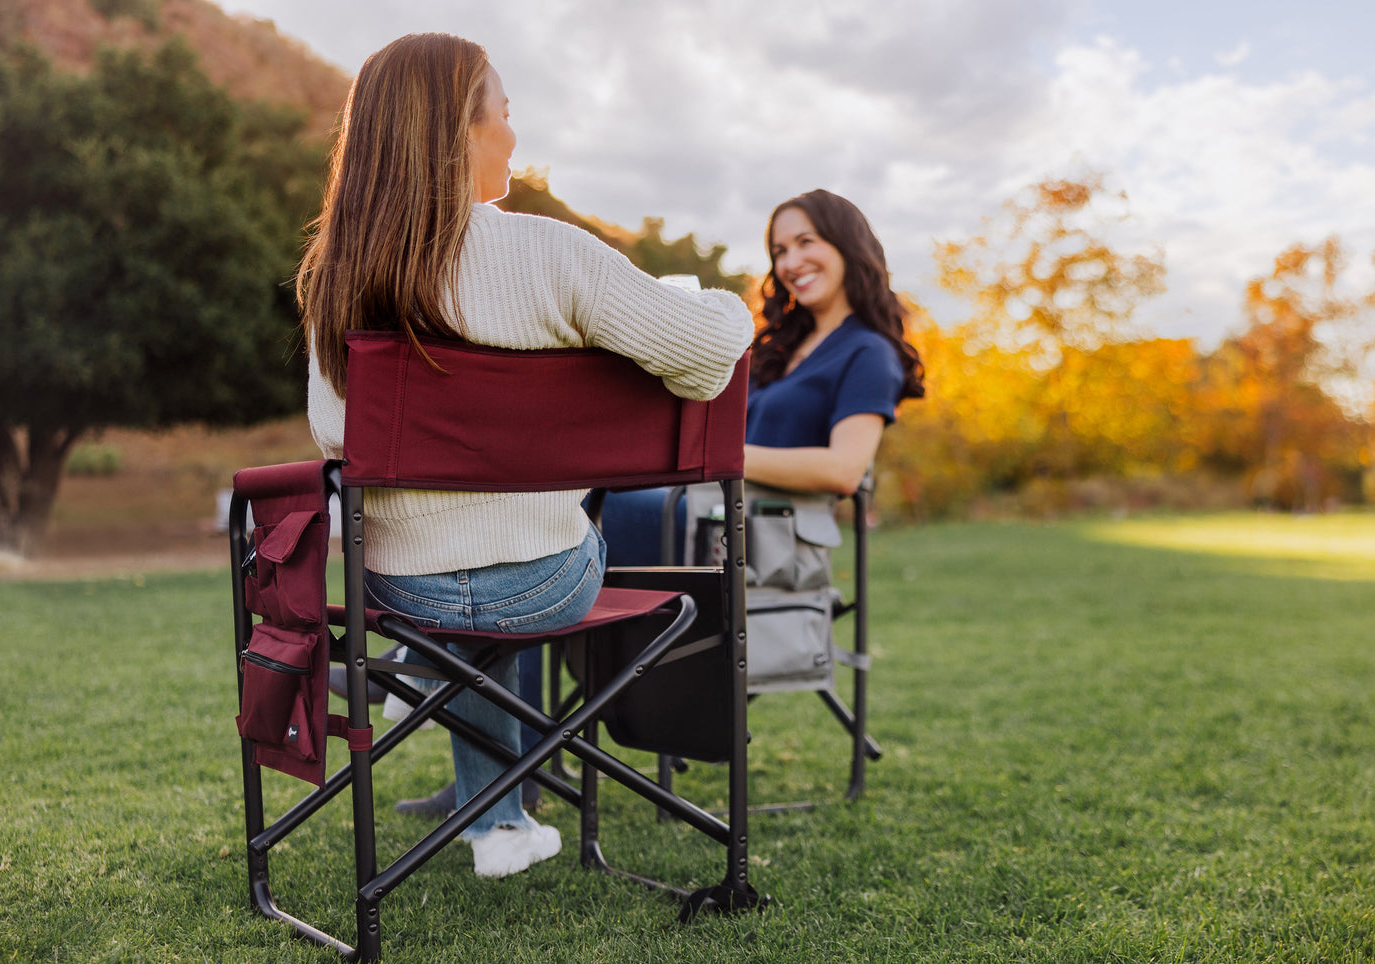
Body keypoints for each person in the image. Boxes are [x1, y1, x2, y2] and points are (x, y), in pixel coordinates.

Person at [297, 33, 752, 879]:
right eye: (504, 115)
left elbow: (334, 434)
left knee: (465, 619)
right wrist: (728, 304)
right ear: (458, 132)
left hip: (396, 585)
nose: (514, 134)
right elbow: (704, 351)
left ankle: (490, 806)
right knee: (523, 575)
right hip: (543, 579)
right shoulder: (549, 253)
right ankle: (494, 811)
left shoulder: (336, 273)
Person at [600, 188, 924, 564]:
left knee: (603, 504)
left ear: (847, 246)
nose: (791, 262)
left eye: (806, 242)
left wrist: (721, 456)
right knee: (587, 486)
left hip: (766, 531)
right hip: (715, 509)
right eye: (780, 251)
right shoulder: (778, 350)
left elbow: (844, 470)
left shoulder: (868, 352)